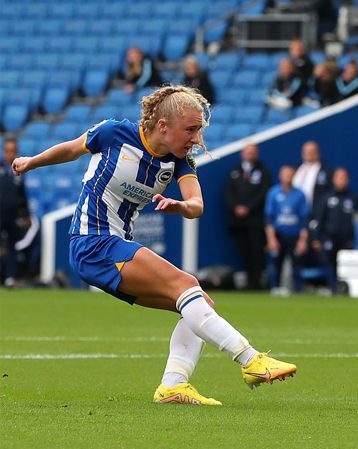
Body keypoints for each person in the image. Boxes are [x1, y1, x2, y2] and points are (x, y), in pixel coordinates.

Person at [10, 85, 297, 405]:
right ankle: (250, 360)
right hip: (91, 242)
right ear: (163, 125)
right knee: (188, 285)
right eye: (190, 129)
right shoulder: (114, 133)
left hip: (113, 246)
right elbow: (72, 149)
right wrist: (30, 162)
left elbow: (196, 204)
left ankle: (173, 385)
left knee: (200, 304)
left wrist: (180, 207)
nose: (195, 138)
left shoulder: (179, 162)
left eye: (198, 130)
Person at [224, 143, 272, 290]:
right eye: (248, 152)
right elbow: (228, 193)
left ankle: (257, 282)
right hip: (239, 222)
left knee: (256, 251)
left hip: (255, 221)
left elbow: (264, 193)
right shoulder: (235, 171)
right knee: (243, 251)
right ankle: (248, 281)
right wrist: (236, 207)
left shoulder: (263, 171)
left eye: (253, 152)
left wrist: (248, 208)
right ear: (242, 153)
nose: (250, 155)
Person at [265, 165, 309, 294]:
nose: (288, 177)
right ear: (280, 176)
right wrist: (271, 239)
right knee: (276, 265)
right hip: (279, 235)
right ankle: (275, 289)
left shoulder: (300, 195)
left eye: (290, 174)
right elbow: (269, 219)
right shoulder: (273, 193)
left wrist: (303, 240)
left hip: (294, 236)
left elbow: (304, 220)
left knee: (297, 265)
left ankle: (297, 291)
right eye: (285, 174)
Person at [1, 139, 30, 288]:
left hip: (13, 216)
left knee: (12, 247)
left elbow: (23, 196)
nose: (10, 153)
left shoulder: (20, 171)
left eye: (13, 151)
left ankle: (10, 279)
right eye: (7, 150)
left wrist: (26, 215)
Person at [292, 140, 334, 215]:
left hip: (315, 212)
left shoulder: (326, 171)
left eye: (312, 151)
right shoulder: (296, 169)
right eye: (306, 151)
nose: (308, 154)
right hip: (295, 214)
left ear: (318, 153)